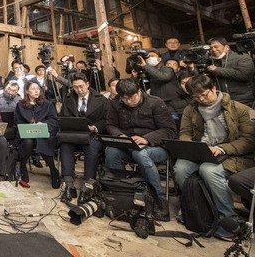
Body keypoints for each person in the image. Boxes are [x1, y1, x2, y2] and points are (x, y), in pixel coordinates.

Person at [173, 75, 255, 240]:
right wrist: (192, 147)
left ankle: (229, 220)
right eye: (197, 97)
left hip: (231, 152)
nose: (202, 99)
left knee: (209, 170)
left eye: (205, 94)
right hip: (202, 150)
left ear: (214, 89)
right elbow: (185, 133)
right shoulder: (191, 109)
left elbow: (248, 141)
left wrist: (221, 148)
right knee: (180, 168)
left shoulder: (238, 109)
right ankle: (200, 209)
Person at [105, 78, 177, 221]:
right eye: (124, 99)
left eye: (131, 98)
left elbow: (169, 130)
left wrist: (147, 138)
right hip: (128, 144)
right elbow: (110, 124)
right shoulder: (115, 104)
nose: (128, 102)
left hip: (155, 146)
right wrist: (119, 135)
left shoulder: (155, 103)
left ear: (139, 91)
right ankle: (121, 193)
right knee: (111, 151)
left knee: (141, 154)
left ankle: (159, 199)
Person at [59, 73, 108, 203]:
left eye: (81, 87)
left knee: (92, 147)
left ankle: (88, 185)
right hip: (74, 134)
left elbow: (107, 119)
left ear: (87, 84)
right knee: (65, 145)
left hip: (92, 135)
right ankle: (69, 184)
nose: (79, 90)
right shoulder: (69, 99)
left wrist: (96, 127)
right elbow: (62, 117)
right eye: (75, 87)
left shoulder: (101, 100)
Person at [14, 80, 59, 187]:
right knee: (28, 141)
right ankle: (23, 166)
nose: (36, 91)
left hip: (43, 132)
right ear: (27, 91)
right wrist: (30, 125)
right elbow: (17, 121)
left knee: (42, 140)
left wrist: (43, 124)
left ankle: (53, 169)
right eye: (33, 89)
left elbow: (53, 120)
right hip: (27, 133)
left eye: (38, 89)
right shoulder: (20, 105)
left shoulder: (47, 104)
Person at [207, 37, 255, 107]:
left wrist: (217, 69)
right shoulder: (212, 62)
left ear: (227, 47)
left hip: (244, 101)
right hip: (224, 102)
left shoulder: (242, 57)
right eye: (211, 48)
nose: (213, 50)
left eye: (216, 47)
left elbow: (244, 75)